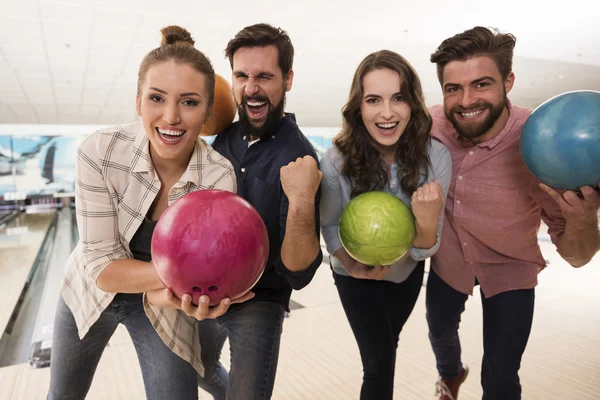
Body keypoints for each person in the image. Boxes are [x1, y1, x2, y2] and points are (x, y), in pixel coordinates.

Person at [48, 26, 247, 400]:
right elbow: (104, 271)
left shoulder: (218, 175)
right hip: (88, 291)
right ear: (138, 101)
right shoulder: (99, 151)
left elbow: (206, 269)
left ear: (206, 112)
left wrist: (192, 292)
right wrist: (182, 279)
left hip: (162, 301)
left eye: (189, 102)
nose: (171, 117)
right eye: (157, 98)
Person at [425, 26, 600, 400]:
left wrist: (584, 218)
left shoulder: (542, 143)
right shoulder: (431, 124)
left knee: (502, 376)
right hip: (450, 260)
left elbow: (579, 257)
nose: (466, 100)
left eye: (481, 84)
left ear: (509, 81)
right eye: (453, 88)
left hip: (511, 269)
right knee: (439, 330)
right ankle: (450, 375)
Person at [189, 23, 324, 400]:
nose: (251, 87)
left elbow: (299, 275)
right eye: (242, 75)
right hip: (209, 291)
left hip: (260, 298)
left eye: (265, 76)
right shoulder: (223, 140)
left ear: (288, 79)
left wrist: (299, 201)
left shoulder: (300, 158)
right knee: (195, 368)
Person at [319, 50, 452, 400]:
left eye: (398, 98)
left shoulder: (436, 157)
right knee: (378, 361)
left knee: (386, 346)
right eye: (373, 100)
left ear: (413, 104)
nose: (387, 113)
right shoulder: (335, 161)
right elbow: (330, 224)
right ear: (358, 108)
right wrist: (348, 262)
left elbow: (427, 244)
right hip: (352, 276)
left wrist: (425, 221)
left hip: (405, 275)